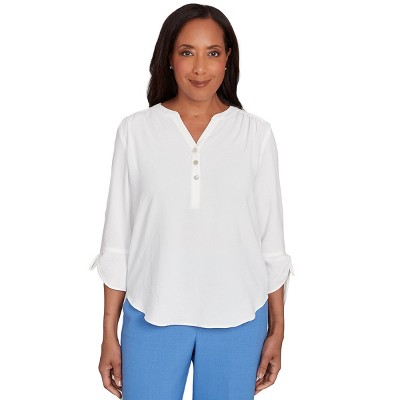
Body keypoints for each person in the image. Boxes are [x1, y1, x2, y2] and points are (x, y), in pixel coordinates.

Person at [89, 3, 294, 399]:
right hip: (152, 313)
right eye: (187, 52)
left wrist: (278, 330)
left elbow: (271, 243)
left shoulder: (256, 135)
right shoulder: (135, 132)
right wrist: (108, 334)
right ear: (169, 57)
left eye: (212, 53)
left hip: (239, 318)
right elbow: (117, 241)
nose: (200, 68)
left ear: (228, 58)